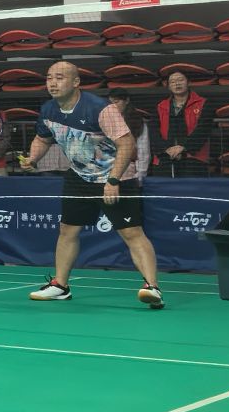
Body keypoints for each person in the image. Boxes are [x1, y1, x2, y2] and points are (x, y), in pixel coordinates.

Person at [22, 60, 163, 308]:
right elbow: (42, 139)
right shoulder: (48, 109)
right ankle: (60, 286)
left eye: (60, 78)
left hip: (116, 177)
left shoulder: (100, 109)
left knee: (131, 232)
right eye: (49, 78)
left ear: (76, 82)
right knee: (67, 230)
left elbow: (127, 143)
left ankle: (152, 288)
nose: (53, 83)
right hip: (79, 176)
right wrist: (33, 158)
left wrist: (113, 180)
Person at [154, 68, 211, 177]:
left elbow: (204, 128)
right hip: (165, 156)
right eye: (172, 82)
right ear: (168, 86)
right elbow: (154, 131)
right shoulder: (160, 106)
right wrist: (167, 149)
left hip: (194, 158)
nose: (177, 84)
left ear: (188, 82)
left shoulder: (203, 103)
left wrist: (183, 147)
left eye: (180, 80)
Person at [107, 89, 152, 181]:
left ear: (127, 101)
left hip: (129, 170)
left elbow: (143, 150)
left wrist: (141, 174)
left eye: (116, 102)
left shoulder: (137, 121)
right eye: (111, 103)